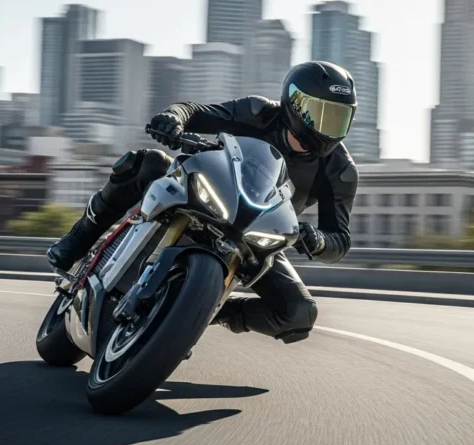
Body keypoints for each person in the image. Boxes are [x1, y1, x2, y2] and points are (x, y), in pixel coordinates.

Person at [46, 61, 359, 343]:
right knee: (146, 163)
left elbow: (340, 239)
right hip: (209, 192)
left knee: (300, 313)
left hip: (256, 233)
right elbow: (196, 111)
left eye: (337, 118)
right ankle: (79, 237)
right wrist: (173, 118)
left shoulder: (340, 170)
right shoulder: (259, 113)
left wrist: (318, 241)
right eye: (320, 114)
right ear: (295, 105)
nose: (326, 127)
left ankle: (207, 312)